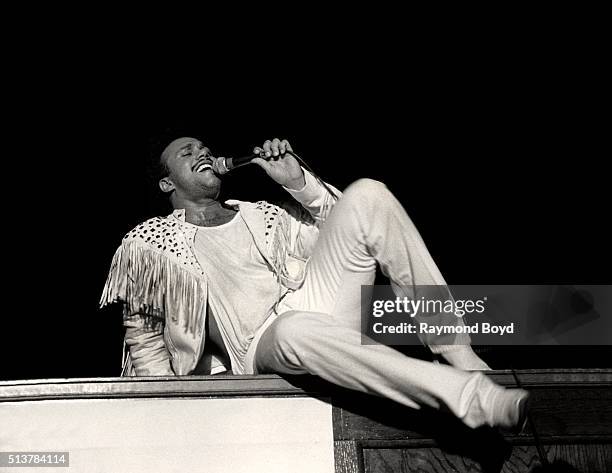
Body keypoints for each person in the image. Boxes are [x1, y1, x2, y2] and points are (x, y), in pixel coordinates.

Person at [101, 137, 529, 430]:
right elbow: (145, 340)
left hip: (312, 304)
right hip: (257, 345)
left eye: (205, 146)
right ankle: (470, 397)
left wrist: (297, 183)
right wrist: (159, 414)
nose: (203, 151)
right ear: (166, 182)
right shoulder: (150, 244)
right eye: (187, 151)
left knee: (369, 196)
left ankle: (459, 352)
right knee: (293, 328)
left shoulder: (261, 214)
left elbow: (345, 227)